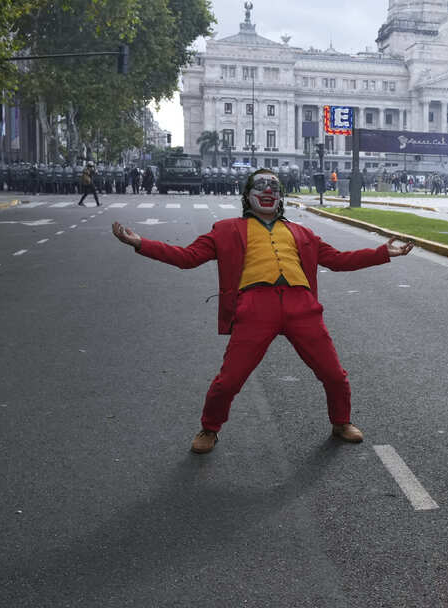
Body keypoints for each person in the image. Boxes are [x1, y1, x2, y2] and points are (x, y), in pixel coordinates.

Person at [110, 169, 414, 454]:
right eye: (260, 186)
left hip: (302, 305)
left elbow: (337, 259)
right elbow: (187, 257)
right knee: (229, 380)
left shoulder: (302, 232)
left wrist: (381, 253)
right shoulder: (226, 230)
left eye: (274, 187)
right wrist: (141, 243)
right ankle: (209, 428)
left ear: (280, 197)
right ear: (247, 195)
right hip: (254, 306)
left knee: (334, 374)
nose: (268, 191)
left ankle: (341, 422)